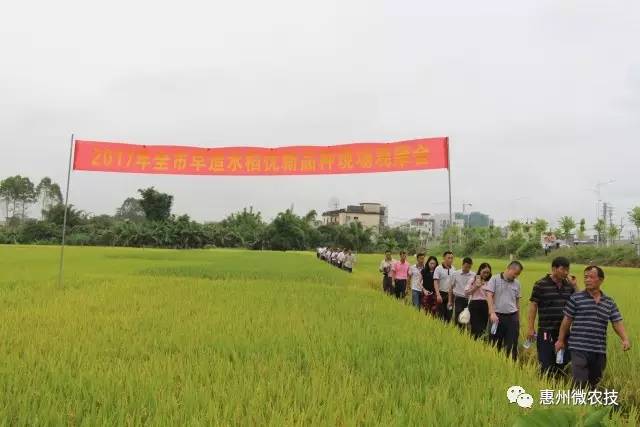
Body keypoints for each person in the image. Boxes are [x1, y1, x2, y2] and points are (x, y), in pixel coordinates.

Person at [555, 266, 631, 389]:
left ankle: (589, 407)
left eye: (591, 277)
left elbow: (616, 321)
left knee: (594, 382)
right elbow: (566, 320)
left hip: (598, 349)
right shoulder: (576, 298)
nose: (587, 280)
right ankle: (576, 406)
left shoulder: (609, 302)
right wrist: (560, 340)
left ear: (600, 280)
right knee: (579, 381)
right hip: (578, 347)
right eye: (585, 277)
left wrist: (625, 339)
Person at [527, 256, 578, 378]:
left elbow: (579, 301)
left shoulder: (569, 286)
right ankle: (546, 388)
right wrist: (530, 328)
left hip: (565, 332)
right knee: (546, 364)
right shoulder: (540, 284)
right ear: (554, 269)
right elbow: (533, 305)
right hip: (546, 330)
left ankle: (559, 387)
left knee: (563, 363)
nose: (566, 272)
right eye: (563, 269)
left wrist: (575, 286)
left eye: (567, 269)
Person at [485, 260, 523, 361]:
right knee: (494, 344)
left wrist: (518, 320)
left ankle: (511, 367)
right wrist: (492, 313)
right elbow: (489, 296)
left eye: (518, 274)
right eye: (515, 273)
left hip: (512, 318)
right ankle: (493, 364)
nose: (516, 276)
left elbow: (517, 302)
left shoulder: (517, 283)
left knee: (511, 345)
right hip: (497, 317)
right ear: (509, 269)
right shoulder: (495, 279)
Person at [464, 262, 491, 339]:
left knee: (483, 327)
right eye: (484, 272)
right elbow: (466, 293)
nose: (486, 274)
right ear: (480, 271)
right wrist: (476, 286)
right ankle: (474, 343)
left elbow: (492, 296)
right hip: (475, 305)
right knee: (475, 327)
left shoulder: (490, 282)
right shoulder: (473, 280)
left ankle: (480, 343)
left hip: (485, 305)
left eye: (488, 273)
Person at [450, 257, 475, 329]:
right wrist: (450, 301)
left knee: (468, 317)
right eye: (466, 266)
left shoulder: (474, 275)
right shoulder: (455, 274)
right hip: (459, 299)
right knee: (458, 316)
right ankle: (458, 332)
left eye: (469, 267)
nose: (467, 269)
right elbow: (450, 288)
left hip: (470, 299)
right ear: (462, 264)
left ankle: (466, 332)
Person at [433, 251, 456, 322]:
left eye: (452, 258)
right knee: (440, 314)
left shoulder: (453, 269)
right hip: (441, 294)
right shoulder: (438, 268)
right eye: (448, 258)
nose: (450, 260)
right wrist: (438, 295)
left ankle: (447, 329)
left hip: (451, 295)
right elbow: (435, 282)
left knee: (449, 314)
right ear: (444, 258)